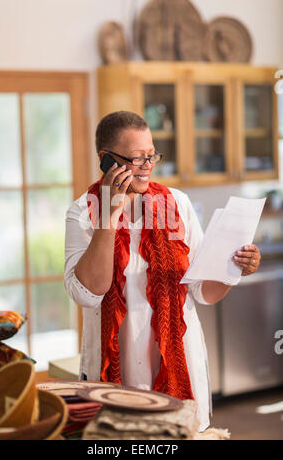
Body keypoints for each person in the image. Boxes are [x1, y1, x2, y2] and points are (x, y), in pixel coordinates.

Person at [64, 111, 261, 431]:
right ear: (105, 160)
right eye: (136, 158)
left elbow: (202, 291)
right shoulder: (82, 213)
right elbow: (87, 294)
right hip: (117, 374)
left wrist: (232, 270)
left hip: (178, 368)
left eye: (151, 154)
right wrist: (108, 217)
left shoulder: (177, 204)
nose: (147, 165)